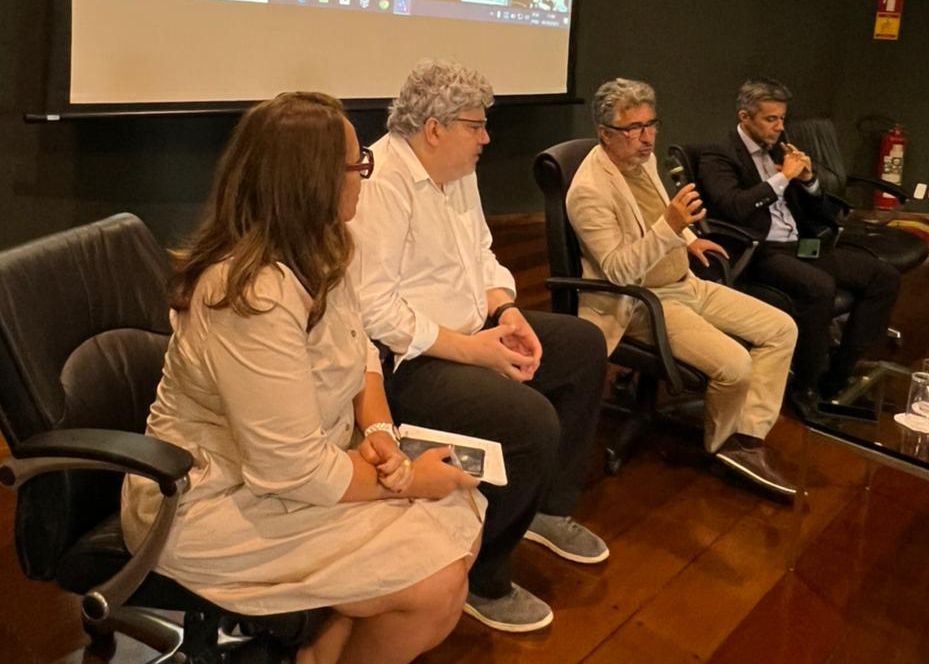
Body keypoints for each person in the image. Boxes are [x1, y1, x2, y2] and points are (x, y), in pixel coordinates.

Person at [120, 92, 483, 664]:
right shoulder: (247, 294)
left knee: (456, 520)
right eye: (357, 164)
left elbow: (361, 354)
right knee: (438, 583)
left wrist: (379, 436)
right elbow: (287, 469)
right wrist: (405, 480)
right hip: (204, 498)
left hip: (297, 466)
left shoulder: (326, 246)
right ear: (313, 181)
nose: (365, 175)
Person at [351, 59, 609, 633]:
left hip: (474, 330)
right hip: (409, 362)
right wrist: (476, 351)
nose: (487, 138)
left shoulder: (456, 168)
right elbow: (375, 311)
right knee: (530, 421)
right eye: (476, 125)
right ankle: (485, 575)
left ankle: (546, 509)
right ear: (434, 129)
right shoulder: (382, 182)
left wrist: (506, 312)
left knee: (583, 346)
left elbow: (483, 254)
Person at [566, 78, 798, 498]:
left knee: (782, 328)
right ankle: (722, 446)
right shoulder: (588, 192)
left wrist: (689, 238)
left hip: (684, 283)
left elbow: (661, 212)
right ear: (605, 133)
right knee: (735, 366)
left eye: (650, 124)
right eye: (633, 128)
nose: (647, 138)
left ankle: (745, 439)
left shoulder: (643, 160)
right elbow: (618, 271)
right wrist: (672, 226)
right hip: (642, 303)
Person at [696, 78, 900, 411]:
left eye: (781, 118)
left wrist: (808, 180)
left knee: (883, 276)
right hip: (758, 250)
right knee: (819, 287)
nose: (779, 127)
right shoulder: (718, 155)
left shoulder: (780, 150)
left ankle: (838, 375)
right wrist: (783, 178)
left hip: (799, 245)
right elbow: (734, 206)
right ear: (745, 117)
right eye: (770, 119)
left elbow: (818, 210)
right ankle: (805, 386)